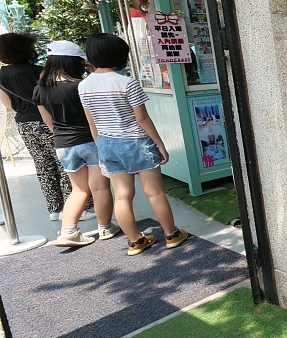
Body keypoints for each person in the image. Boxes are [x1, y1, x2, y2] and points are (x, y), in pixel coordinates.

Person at [78, 34, 188, 255]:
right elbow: (142, 119)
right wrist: (160, 144)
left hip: (107, 143)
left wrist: (100, 148)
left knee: (121, 195)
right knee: (154, 192)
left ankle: (135, 241)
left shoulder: (84, 86)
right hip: (135, 141)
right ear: (118, 56)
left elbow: (92, 123)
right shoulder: (127, 83)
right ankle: (171, 234)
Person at [31, 41, 117, 246]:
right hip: (90, 140)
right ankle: (105, 227)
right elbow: (93, 117)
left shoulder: (40, 89)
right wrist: (93, 69)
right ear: (74, 62)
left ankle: (68, 231)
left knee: (78, 189)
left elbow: (48, 122)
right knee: (100, 188)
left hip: (63, 143)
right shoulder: (80, 86)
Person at [0, 33, 86, 223]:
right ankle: (73, 207)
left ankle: (54, 208)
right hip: (47, 120)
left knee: (43, 166)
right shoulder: (39, 71)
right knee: (64, 164)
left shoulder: (1, 76)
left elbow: (7, 104)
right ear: (25, 49)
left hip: (23, 123)